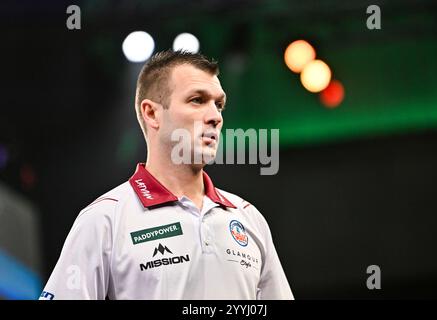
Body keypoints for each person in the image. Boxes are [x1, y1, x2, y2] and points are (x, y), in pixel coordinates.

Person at [39, 50, 294, 300]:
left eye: (219, 105)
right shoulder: (105, 219)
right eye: (197, 100)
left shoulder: (249, 218)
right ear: (152, 113)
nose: (216, 117)